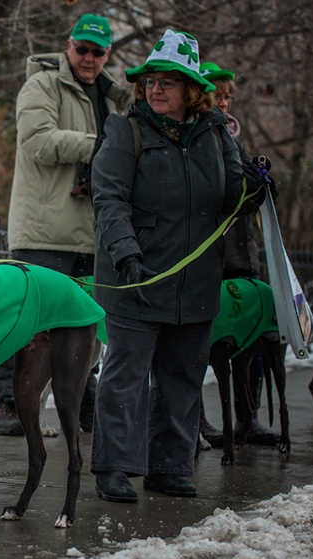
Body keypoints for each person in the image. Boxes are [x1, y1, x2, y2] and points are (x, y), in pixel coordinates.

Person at [88, 30, 270, 502]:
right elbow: (109, 200)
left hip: (195, 283)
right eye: (150, 81)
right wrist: (127, 256)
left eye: (168, 82)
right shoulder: (123, 131)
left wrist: (255, 186)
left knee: (183, 377)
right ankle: (114, 466)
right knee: (125, 378)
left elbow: (235, 201)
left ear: (191, 90)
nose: (155, 90)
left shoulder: (216, 136)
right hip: (135, 279)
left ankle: (168, 466)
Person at [0, 13, 133, 436]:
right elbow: (37, 141)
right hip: (44, 228)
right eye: (82, 49)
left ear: (107, 54)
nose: (88, 58)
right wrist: (102, 145)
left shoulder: (113, 99)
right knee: (26, 321)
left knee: (84, 325)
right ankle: (6, 403)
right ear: (68, 46)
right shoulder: (42, 85)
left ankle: (84, 403)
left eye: (98, 51)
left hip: (91, 232)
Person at [197, 62, 280, 447]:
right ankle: (196, 421)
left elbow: (247, 192)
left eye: (228, 95)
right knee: (200, 347)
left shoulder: (233, 136)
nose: (224, 101)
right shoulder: (205, 135)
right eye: (218, 93)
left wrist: (263, 185)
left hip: (245, 259)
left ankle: (251, 418)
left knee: (254, 341)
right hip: (217, 260)